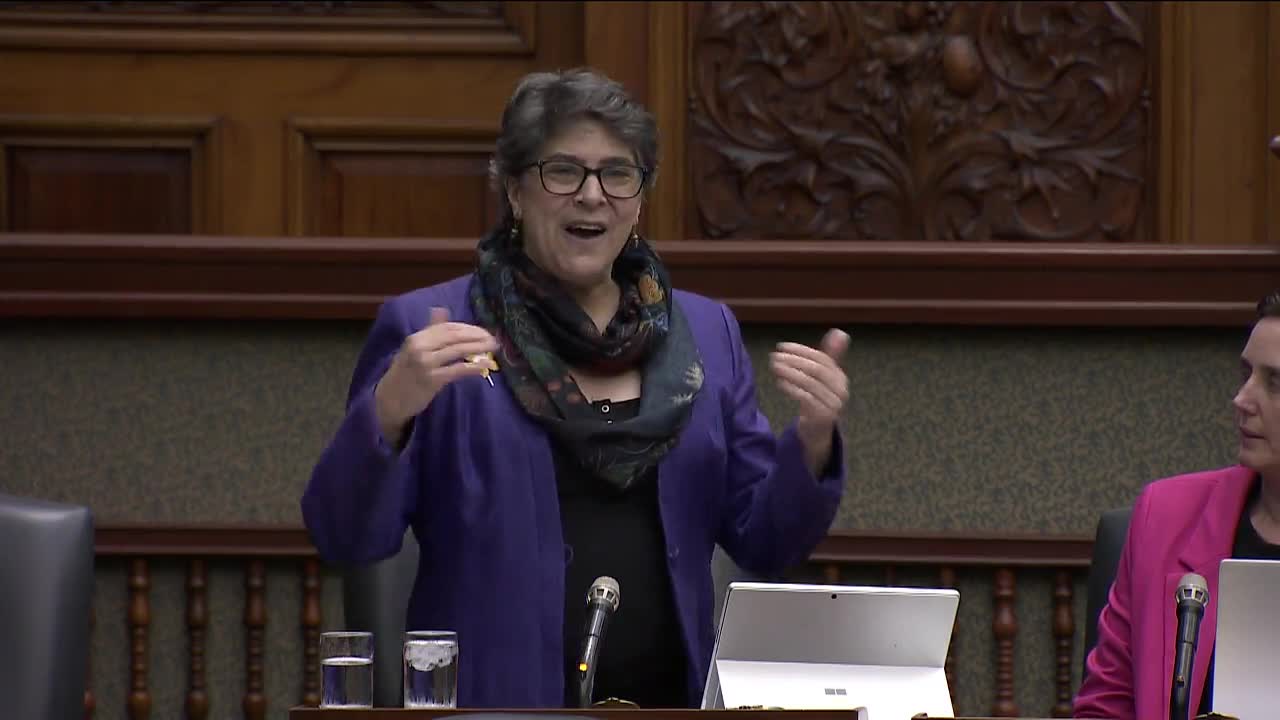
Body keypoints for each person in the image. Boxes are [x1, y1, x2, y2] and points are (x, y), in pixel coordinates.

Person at [301, 67, 850, 709]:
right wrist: (388, 413)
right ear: (514, 190)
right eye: (563, 171)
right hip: (497, 708)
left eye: (617, 173)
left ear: (639, 200)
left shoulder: (704, 333)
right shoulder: (436, 328)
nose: (592, 195)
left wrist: (812, 441)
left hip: (671, 704)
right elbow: (346, 537)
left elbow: (767, 542)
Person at [1074, 290, 1280, 718]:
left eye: (1274, 383)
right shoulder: (1165, 518)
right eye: (1246, 375)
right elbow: (1105, 707)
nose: (1242, 399)